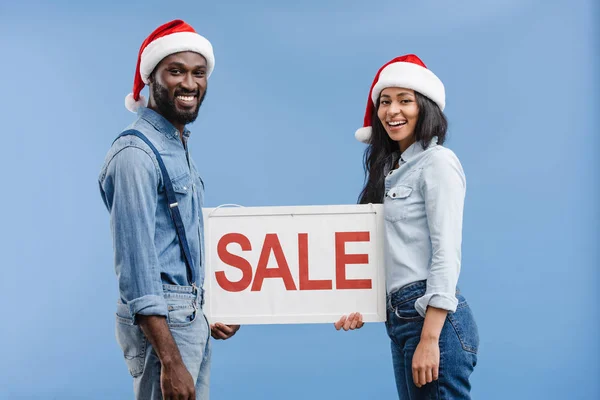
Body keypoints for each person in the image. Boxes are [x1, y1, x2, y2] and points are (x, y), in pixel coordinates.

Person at [99, 19, 239, 400]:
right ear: (152, 78)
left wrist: (209, 307)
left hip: (188, 318)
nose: (190, 84)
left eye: (198, 73)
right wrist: (171, 362)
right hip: (165, 329)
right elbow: (138, 270)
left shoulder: (175, 146)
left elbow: (177, 248)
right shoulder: (136, 154)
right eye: (175, 71)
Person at [335, 54, 479, 399]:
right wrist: (358, 303)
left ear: (425, 107)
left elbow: (446, 252)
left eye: (405, 100)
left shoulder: (438, 162)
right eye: (385, 102)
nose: (392, 111)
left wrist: (430, 338)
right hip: (399, 320)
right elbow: (387, 254)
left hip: (433, 321)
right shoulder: (388, 172)